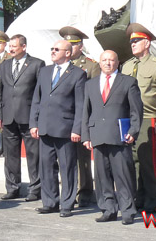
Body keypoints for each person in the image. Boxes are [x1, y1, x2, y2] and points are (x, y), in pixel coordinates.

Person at [81, 50, 143, 225]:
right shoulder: (90, 84)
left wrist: (133, 130)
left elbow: (136, 111)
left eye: (112, 60)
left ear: (117, 63)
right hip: (98, 135)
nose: (108, 63)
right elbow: (86, 111)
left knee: (123, 174)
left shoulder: (128, 82)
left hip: (119, 136)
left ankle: (128, 210)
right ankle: (108, 209)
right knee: (102, 176)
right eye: (104, 60)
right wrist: (86, 135)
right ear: (99, 63)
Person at [29, 40, 87, 218]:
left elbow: (80, 104)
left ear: (68, 53)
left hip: (65, 129)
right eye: (52, 49)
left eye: (57, 49)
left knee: (67, 167)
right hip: (45, 127)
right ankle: (50, 202)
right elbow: (36, 100)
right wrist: (34, 123)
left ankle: (67, 203)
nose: (52, 52)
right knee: (46, 167)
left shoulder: (78, 74)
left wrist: (77, 129)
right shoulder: (45, 71)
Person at [121, 23, 156, 214]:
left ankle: (152, 202)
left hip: (147, 118)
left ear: (147, 43)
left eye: (136, 41)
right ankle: (137, 198)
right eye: (131, 41)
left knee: (148, 162)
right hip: (127, 119)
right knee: (131, 162)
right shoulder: (127, 66)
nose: (132, 44)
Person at [0, 34, 44, 202]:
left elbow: (40, 93)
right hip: (8, 117)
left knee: (33, 155)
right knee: (10, 156)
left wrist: (37, 118)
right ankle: (12, 187)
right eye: (10, 46)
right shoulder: (5, 65)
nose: (11, 48)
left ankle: (35, 189)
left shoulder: (37, 64)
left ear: (23, 47)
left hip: (28, 117)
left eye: (14, 46)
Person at [59, 26, 100, 207]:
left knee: (82, 158)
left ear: (80, 46)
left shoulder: (91, 66)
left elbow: (95, 95)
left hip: (82, 117)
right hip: (62, 118)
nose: (70, 48)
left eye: (73, 45)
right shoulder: (59, 66)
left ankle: (84, 192)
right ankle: (68, 191)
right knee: (65, 157)